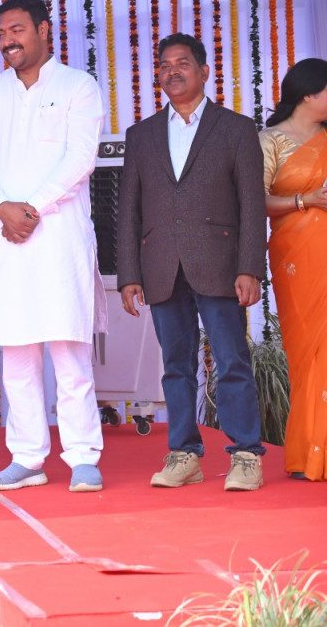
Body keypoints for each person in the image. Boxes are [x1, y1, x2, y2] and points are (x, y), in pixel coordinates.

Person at [0, 0, 105, 494]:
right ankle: (27, 457)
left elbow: (80, 156)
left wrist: (32, 208)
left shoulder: (77, 86)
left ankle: (84, 455)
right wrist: (4, 208)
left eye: (17, 30)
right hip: (5, 237)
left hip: (58, 235)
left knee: (69, 349)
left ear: (44, 30)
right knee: (17, 353)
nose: (8, 41)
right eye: (2, 33)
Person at [118, 34, 267, 491]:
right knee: (175, 366)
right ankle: (184, 453)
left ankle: (246, 454)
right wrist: (128, 275)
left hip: (221, 263)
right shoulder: (141, 135)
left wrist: (249, 267)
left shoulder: (236, 128)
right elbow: (129, 210)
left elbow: (251, 204)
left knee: (231, 360)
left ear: (204, 72)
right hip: (161, 265)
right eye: (164, 65)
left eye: (183, 63)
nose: (172, 71)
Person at [260, 58, 327, 482]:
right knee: (308, 349)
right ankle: (308, 453)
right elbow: (255, 201)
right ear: (308, 93)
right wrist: (307, 201)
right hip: (296, 257)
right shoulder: (270, 140)